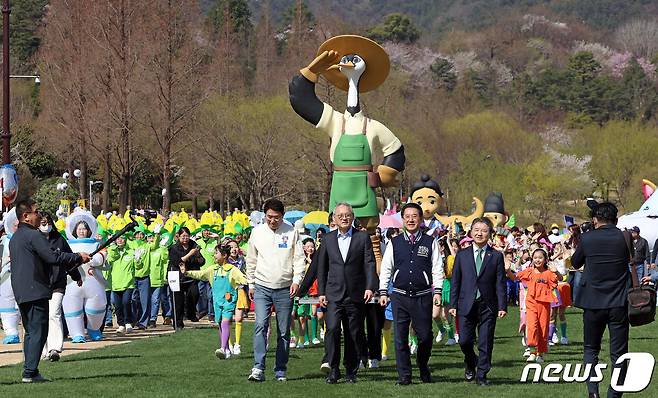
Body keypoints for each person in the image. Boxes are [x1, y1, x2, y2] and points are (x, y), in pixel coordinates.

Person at [10, 199, 90, 383]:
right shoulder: (34, 235)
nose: (39, 215)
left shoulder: (16, 237)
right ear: (26, 216)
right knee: (39, 331)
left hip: (22, 291)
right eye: (36, 212)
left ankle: (30, 371)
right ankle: (30, 372)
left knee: (31, 332)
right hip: (35, 289)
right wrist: (77, 257)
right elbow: (52, 256)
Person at [379, 202, 444, 385]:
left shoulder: (430, 242)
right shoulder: (394, 242)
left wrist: (437, 291)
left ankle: (422, 365)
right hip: (399, 296)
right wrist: (383, 291)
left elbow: (437, 269)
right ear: (402, 219)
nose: (410, 219)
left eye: (414, 216)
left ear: (421, 219)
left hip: (422, 296)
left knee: (425, 336)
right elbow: (386, 268)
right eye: (407, 216)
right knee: (400, 338)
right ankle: (404, 375)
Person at [571, 201, 631, 398]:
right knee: (619, 354)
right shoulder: (625, 236)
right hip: (618, 302)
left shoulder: (587, 238)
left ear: (595, 219)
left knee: (590, 350)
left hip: (592, 302)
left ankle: (593, 392)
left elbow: (575, 262)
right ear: (615, 218)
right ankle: (614, 394)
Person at [317, 202, 377, 384]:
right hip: (333, 294)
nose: (344, 218)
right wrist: (321, 291)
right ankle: (333, 369)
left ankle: (351, 370)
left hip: (355, 293)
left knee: (353, 332)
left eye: (347, 215)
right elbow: (322, 267)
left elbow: (369, 263)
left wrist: (369, 287)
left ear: (352, 217)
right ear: (334, 219)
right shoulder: (327, 239)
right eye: (340, 215)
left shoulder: (362, 237)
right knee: (333, 329)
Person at [246, 199, 305, 382]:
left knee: (283, 331)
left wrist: (296, 281)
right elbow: (251, 260)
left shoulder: (291, 231)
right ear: (265, 216)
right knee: (260, 325)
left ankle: (280, 369)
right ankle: (258, 367)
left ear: (282, 216)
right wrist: (251, 284)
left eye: (276, 218)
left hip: (285, 288)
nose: (273, 221)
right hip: (262, 286)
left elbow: (299, 259)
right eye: (269, 217)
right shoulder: (257, 232)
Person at [449, 217, 507, 387]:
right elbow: (456, 281)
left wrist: (502, 306)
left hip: (488, 305)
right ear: (471, 231)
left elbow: (500, 283)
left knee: (485, 342)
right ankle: (470, 360)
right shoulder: (462, 254)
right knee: (464, 341)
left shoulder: (495, 256)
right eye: (476, 229)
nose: (479, 233)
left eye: (483, 230)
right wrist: (453, 304)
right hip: (465, 304)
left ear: (489, 234)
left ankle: (482, 374)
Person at [181, 244, 246, 359]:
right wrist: (186, 272)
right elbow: (200, 274)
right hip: (217, 302)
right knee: (221, 324)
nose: (214, 255)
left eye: (216, 253)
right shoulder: (213, 269)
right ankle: (226, 350)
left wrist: (249, 282)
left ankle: (222, 348)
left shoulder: (232, 270)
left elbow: (242, 278)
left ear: (224, 255)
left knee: (225, 322)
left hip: (228, 302)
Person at [40, 213, 82, 361]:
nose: (46, 225)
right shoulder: (35, 240)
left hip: (58, 282)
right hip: (40, 283)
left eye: (48, 222)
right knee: (42, 317)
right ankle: (43, 350)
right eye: (43, 222)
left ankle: (55, 348)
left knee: (54, 313)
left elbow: (69, 259)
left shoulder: (59, 240)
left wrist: (76, 276)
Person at [507, 248, 558, 363]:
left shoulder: (549, 273)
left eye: (540, 258)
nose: (537, 260)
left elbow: (557, 281)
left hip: (544, 304)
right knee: (532, 326)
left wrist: (556, 272)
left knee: (543, 328)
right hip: (531, 303)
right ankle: (531, 351)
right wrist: (508, 271)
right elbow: (515, 278)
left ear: (545, 260)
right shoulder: (529, 271)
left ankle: (540, 353)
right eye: (535, 258)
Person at [168, 226, 205, 329]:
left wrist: (197, 255)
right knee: (177, 301)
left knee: (195, 294)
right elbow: (178, 261)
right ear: (178, 237)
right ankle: (178, 324)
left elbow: (202, 262)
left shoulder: (194, 245)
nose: (185, 238)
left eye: (187, 236)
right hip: (176, 276)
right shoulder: (174, 248)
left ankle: (190, 313)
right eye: (183, 236)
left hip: (190, 276)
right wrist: (190, 253)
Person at [107, 236, 136, 334]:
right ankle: (121, 324)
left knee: (126, 302)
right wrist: (113, 246)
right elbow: (110, 259)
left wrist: (138, 260)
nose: (120, 240)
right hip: (116, 283)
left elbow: (137, 266)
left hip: (128, 283)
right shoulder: (111, 250)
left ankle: (128, 322)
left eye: (122, 238)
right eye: (117, 238)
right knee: (117, 305)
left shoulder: (131, 251)